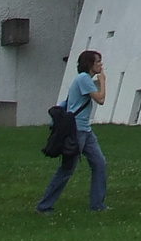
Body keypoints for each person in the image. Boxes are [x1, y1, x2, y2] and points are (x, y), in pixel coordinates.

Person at [36, 50, 108, 214]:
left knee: (100, 164)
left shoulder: (84, 79)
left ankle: (98, 204)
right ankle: (44, 205)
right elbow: (101, 99)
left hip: (85, 130)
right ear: (89, 64)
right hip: (77, 131)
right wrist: (102, 81)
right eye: (98, 62)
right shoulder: (83, 78)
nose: (100, 65)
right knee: (67, 169)